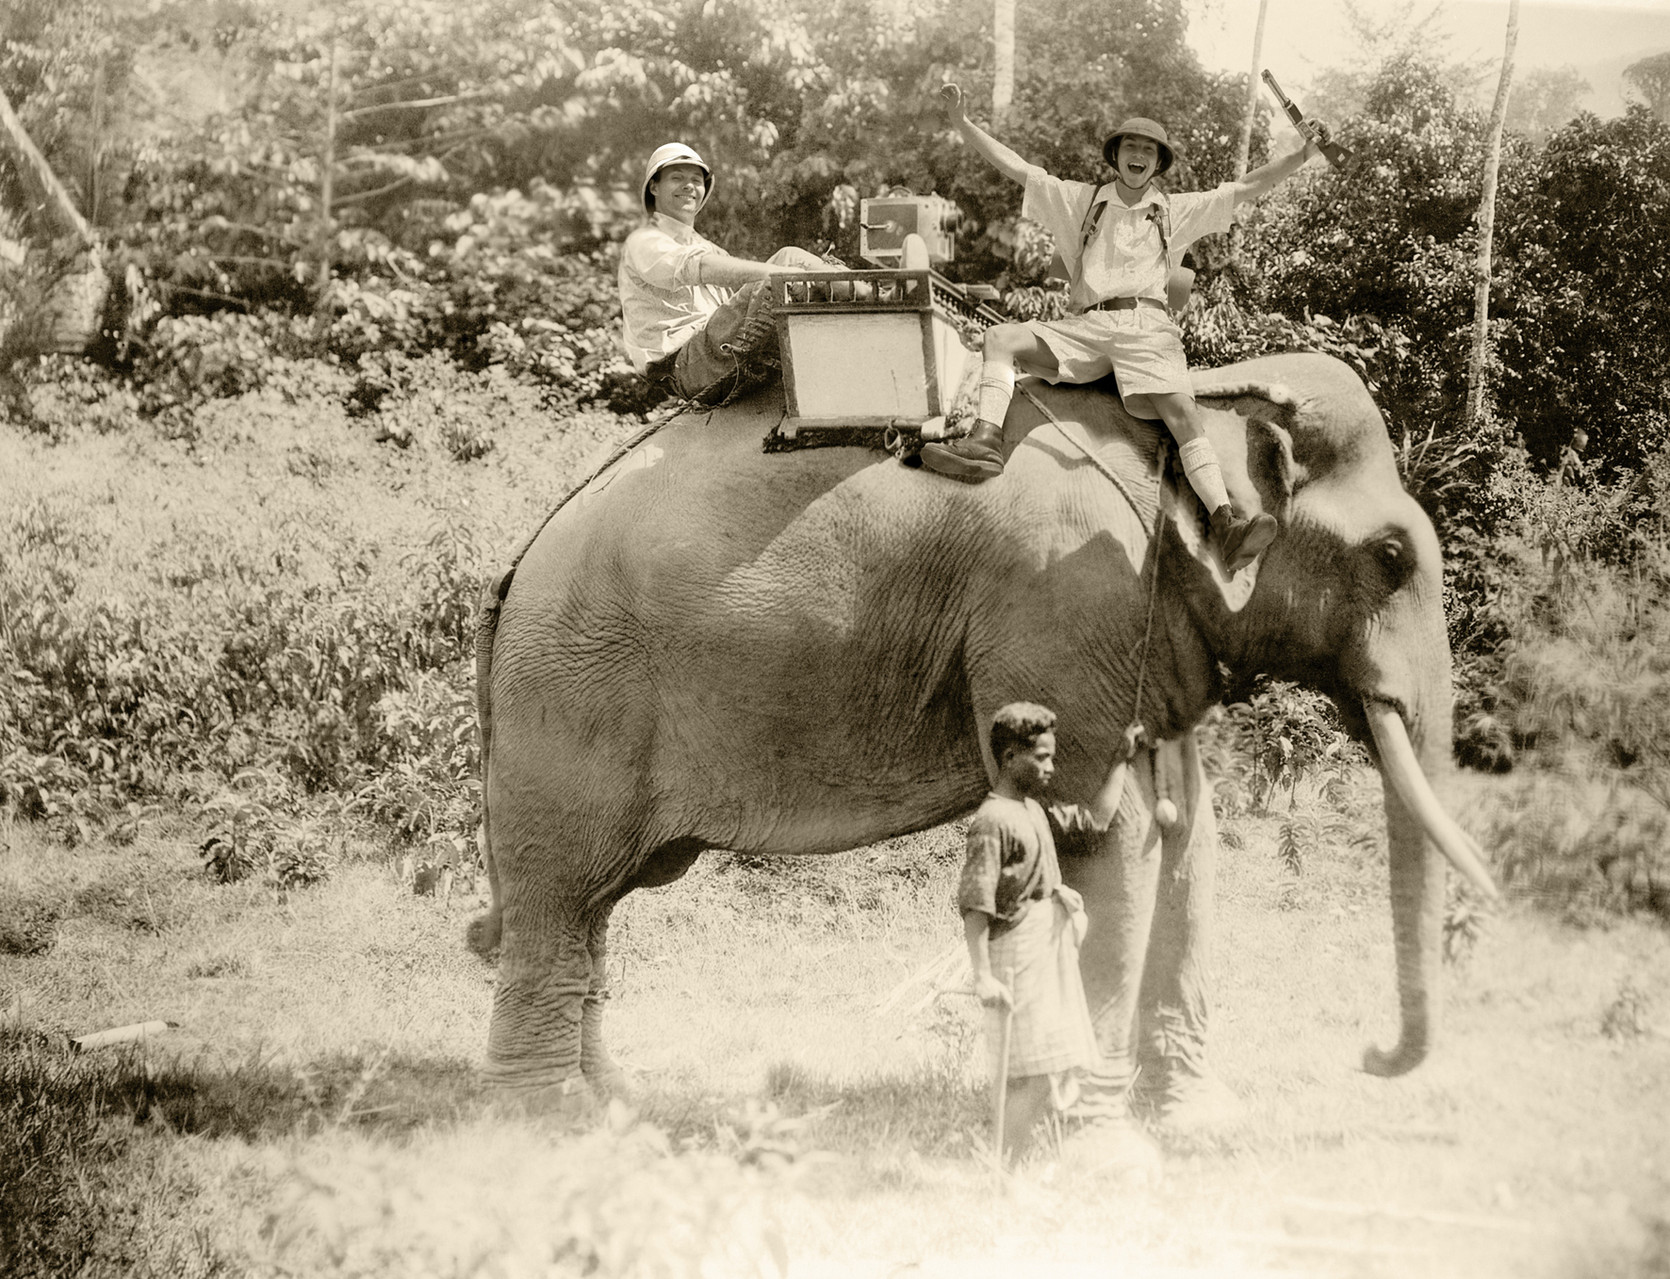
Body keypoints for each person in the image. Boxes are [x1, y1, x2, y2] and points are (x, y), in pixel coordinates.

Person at [920, 85, 1329, 572]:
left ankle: (1225, 525)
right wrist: (963, 124)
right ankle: (985, 443)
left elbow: (1243, 189)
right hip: (1087, 326)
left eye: (1149, 149)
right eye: (1131, 146)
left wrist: (1302, 155)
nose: (1139, 155)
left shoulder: (1175, 210)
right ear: (1116, 156)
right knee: (998, 339)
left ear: (1158, 163)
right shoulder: (1082, 201)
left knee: (1181, 413)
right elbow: (1018, 169)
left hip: (1147, 328)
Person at [959, 701, 1129, 1165]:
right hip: (1015, 956)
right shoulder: (993, 822)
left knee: (1046, 1069)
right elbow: (976, 905)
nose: (1051, 767)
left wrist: (1120, 762)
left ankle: (1014, 1166)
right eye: (1042, 757)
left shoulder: (1034, 810)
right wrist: (982, 977)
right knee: (1031, 1075)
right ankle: (1007, 1174)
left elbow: (1093, 822)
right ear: (1011, 757)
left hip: (1044, 950)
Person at [618, 142, 830, 404]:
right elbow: (698, 267)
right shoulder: (646, 241)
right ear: (654, 187)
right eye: (677, 178)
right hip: (687, 366)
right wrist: (782, 273)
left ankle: (871, 301)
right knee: (786, 265)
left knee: (792, 265)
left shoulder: (707, 248)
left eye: (696, 180)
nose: (688, 186)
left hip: (714, 352)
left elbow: (738, 297)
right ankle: (880, 296)